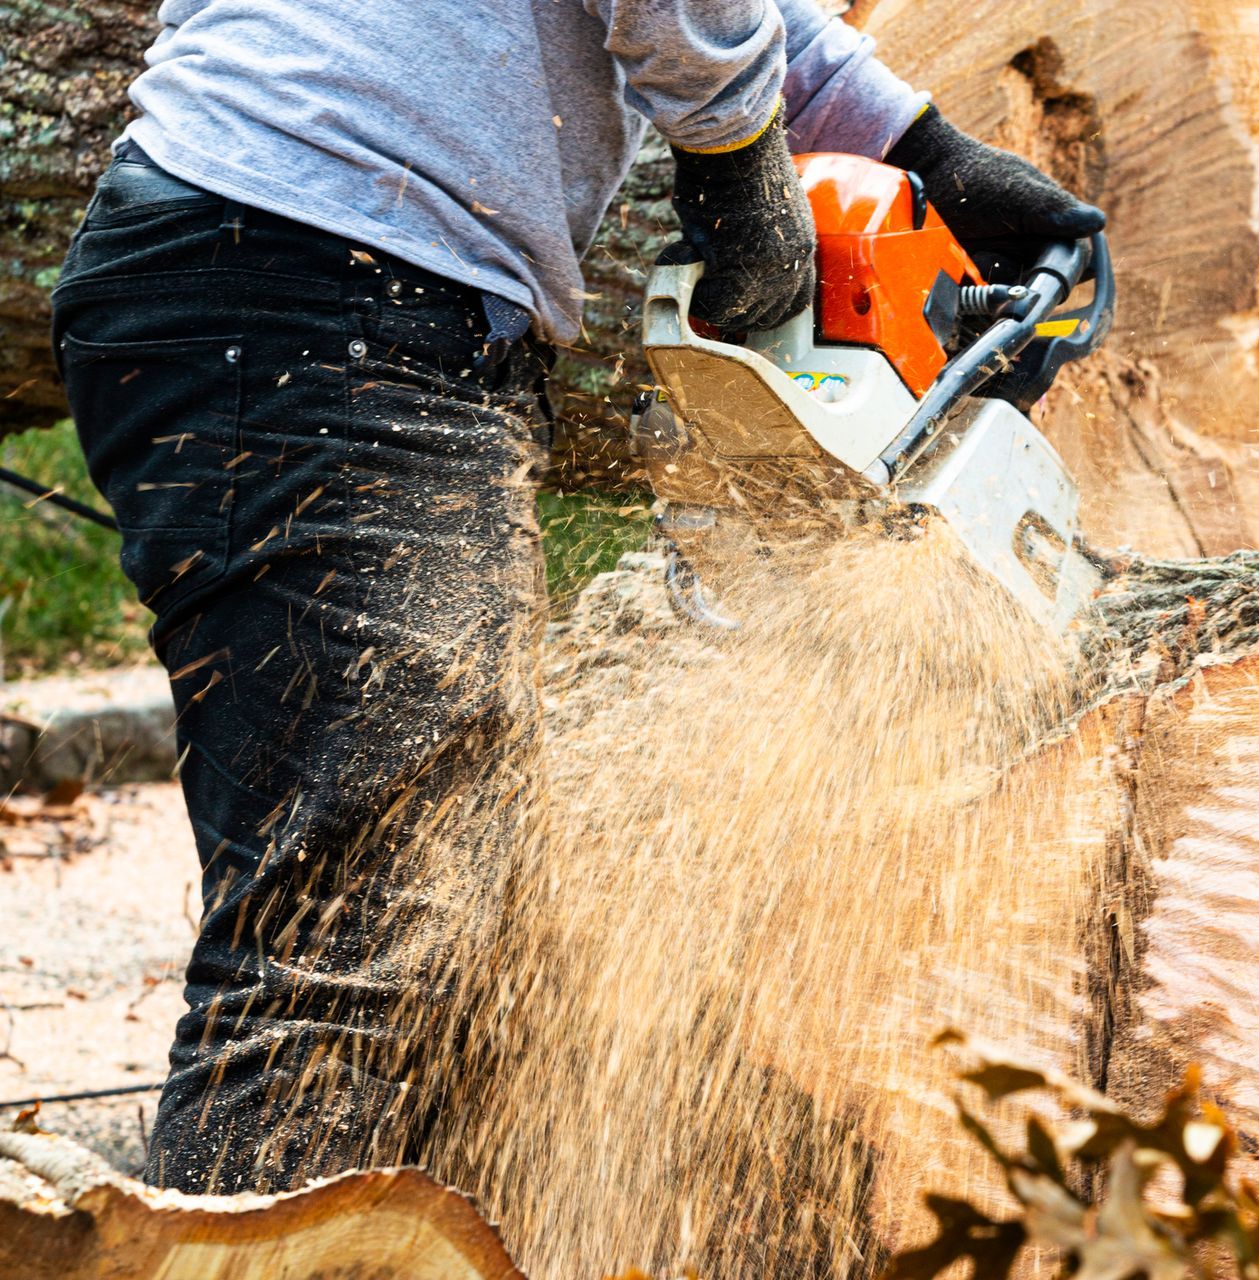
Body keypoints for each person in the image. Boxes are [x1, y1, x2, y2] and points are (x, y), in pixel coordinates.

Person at [50, 0, 1104, 1196]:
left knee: (456, 926)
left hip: (284, 257)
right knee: (351, 948)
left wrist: (921, 154)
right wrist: (735, 155)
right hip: (323, 278)